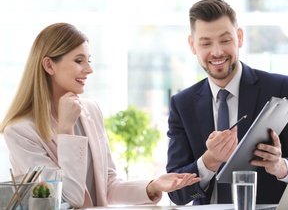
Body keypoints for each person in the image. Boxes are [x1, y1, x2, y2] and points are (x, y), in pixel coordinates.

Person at [0, 22, 201, 208]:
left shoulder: (90, 111)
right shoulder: (19, 132)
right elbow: (69, 199)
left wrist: (152, 186)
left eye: (88, 60)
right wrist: (66, 130)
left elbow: (108, 185)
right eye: (79, 61)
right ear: (49, 65)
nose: (89, 69)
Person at [166, 0, 288, 205]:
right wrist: (209, 161)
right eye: (205, 43)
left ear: (239, 37)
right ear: (193, 45)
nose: (217, 52)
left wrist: (281, 166)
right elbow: (177, 195)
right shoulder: (182, 104)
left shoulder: (280, 89)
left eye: (225, 40)